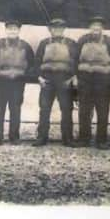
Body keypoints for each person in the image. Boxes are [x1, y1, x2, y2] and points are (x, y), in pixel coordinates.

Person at [0, 20, 35, 146]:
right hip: (0, 81)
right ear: (6, 30)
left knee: (15, 109)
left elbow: (31, 62)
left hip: (18, 82)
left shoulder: (25, 46)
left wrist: (23, 74)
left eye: (15, 29)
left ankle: (14, 137)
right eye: (10, 28)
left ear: (19, 30)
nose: (12, 31)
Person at [76, 16, 110, 149]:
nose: (96, 28)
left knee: (102, 111)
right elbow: (74, 58)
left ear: (102, 28)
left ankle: (102, 140)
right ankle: (84, 139)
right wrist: (75, 76)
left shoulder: (109, 41)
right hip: (85, 79)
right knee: (84, 111)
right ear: (90, 28)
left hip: (103, 80)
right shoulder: (82, 40)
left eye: (98, 26)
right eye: (93, 26)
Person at [33, 18, 78, 147]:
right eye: (54, 28)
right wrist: (39, 78)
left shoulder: (71, 43)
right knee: (44, 109)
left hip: (64, 80)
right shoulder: (43, 43)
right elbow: (37, 62)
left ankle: (68, 139)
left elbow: (76, 61)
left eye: (60, 28)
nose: (57, 30)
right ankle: (41, 138)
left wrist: (72, 78)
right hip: (47, 81)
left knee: (66, 110)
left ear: (63, 29)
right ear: (50, 30)